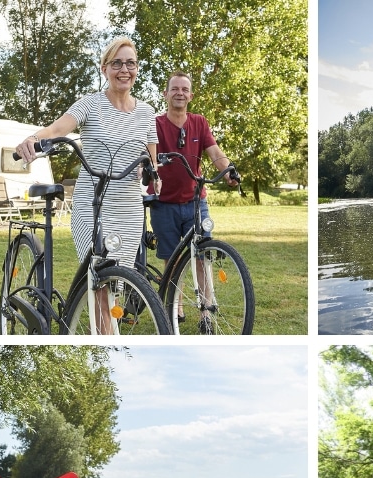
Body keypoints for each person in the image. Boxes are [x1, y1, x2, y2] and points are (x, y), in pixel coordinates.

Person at [15, 37, 158, 333]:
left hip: (130, 209)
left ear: (137, 68)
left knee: (119, 282)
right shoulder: (90, 104)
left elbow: (151, 162)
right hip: (93, 205)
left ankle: (107, 337)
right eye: (117, 63)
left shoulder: (147, 112)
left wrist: (150, 170)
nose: (124, 69)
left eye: (130, 63)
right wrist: (33, 139)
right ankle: (104, 344)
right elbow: (56, 129)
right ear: (104, 68)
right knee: (100, 281)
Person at [146, 71, 238, 334]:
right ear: (165, 94)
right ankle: (176, 306)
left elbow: (215, 153)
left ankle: (206, 310)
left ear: (190, 95)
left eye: (184, 89)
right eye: (174, 89)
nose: (180, 93)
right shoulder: (154, 124)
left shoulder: (199, 123)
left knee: (201, 255)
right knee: (171, 259)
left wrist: (229, 169)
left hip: (195, 201)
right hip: (163, 203)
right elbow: (147, 158)